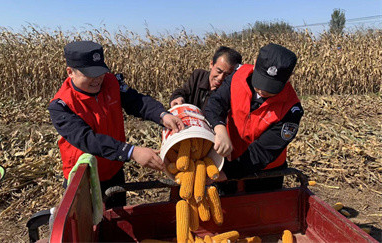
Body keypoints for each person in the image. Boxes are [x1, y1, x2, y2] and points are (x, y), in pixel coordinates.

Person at [48, 41, 184, 207]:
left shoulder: (112, 83)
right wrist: (132, 152)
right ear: (70, 72)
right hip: (84, 178)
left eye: (100, 72)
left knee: (116, 219)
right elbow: (88, 140)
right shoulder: (61, 106)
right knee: (90, 228)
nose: (97, 79)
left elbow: (137, 102)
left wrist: (162, 115)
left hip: (114, 169)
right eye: (90, 74)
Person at [204, 43, 304, 194]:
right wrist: (219, 128)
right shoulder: (238, 75)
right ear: (256, 64)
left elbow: (263, 152)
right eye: (260, 82)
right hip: (230, 156)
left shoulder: (291, 110)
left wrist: (228, 173)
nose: (263, 91)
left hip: (265, 171)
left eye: (271, 88)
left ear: (288, 78)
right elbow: (215, 103)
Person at [169, 46, 242, 111]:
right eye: (219, 71)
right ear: (211, 64)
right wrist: (178, 98)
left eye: (227, 75)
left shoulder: (230, 91)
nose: (220, 78)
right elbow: (183, 91)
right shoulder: (198, 76)